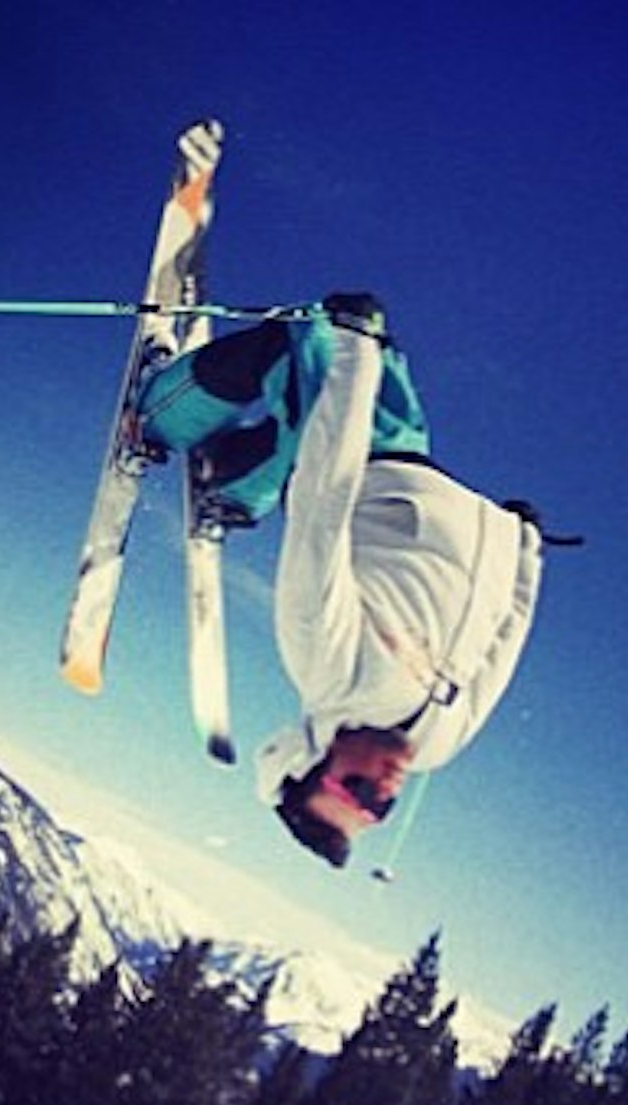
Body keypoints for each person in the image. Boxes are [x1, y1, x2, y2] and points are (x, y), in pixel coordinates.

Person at [135, 294, 550, 868]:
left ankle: (159, 410)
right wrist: (527, 552)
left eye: (356, 792)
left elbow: (322, 504)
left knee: (305, 348)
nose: (383, 794)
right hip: (415, 461)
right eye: (378, 811)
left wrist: (351, 351)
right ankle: (228, 480)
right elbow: (502, 649)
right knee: (366, 368)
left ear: (312, 759)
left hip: (367, 465)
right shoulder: (435, 745)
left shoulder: (326, 662)